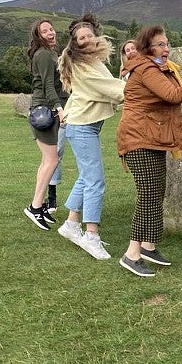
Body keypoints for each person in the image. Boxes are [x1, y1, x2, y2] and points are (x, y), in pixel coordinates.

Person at [115, 25, 182, 277]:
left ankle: (148, 246)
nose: (166, 47)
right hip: (139, 138)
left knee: (156, 191)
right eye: (161, 44)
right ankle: (131, 254)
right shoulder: (146, 68)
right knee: (148, 194)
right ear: (147, 48)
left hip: (152, 137)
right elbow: (172, 95)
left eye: (167, 43)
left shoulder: (157, 66)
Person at [55, 14, 126, 260]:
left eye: (89, 35)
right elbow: (111, 89)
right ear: (74, 42)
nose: (86, 39)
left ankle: (71, 225)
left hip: (85, 126)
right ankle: (91, 235)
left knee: (86, 178)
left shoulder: (91, 61)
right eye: (80, 37)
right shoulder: (83, 66)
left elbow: (109, 84)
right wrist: (143, 88)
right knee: (96, 181)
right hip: (82, 127)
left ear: (95, 36)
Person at [23, 19, 64, 231]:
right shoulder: (45, 55)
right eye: (44, 31)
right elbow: (48, 85)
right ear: (38, 36)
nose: (50, 32)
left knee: (47, 160)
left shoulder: (49, 54)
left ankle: (38, 206)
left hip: (43, 109)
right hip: (44, 111)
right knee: (52, 160)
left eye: (51, 29)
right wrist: (58, 107)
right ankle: (35, 206)